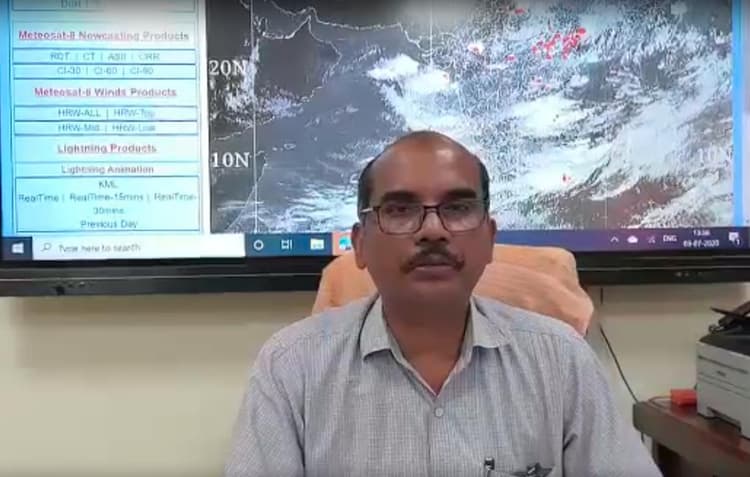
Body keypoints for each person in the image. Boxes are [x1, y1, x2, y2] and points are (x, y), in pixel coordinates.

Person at [224, 131, 662, 477]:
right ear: (360, 244)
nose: (433, 230)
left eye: (457, 208)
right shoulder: (291, 368)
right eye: (400, 210)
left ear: (489, 239)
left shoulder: (562, 361)